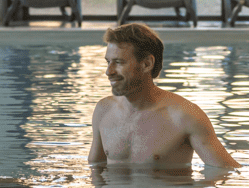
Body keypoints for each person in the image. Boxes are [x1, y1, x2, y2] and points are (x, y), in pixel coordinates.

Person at [89, 23, 239, 170]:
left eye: (119, 62)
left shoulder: (185, 116)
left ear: (147, 64)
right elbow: (95, 169)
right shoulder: (104, 111)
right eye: (108, 62)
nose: (109, 71)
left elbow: (228, 172)